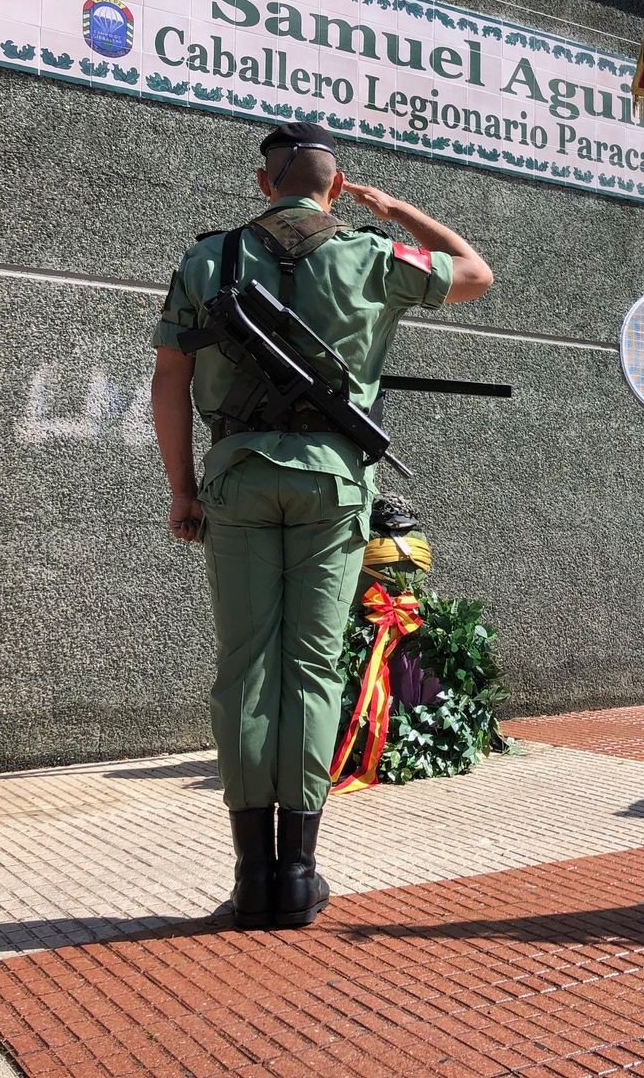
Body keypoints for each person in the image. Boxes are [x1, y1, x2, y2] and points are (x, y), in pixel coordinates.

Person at [151, 123, 493, 929]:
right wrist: (399, 207)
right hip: (335, 487)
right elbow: (476, 273)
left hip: (235, 481)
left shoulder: (209, 260)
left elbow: (169, 382)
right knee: (310, 667)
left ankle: (251, 878)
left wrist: (181, 490)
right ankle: (299, 877)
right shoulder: (371, 256)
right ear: (335, 189)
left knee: (245, 668)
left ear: (263, 185)